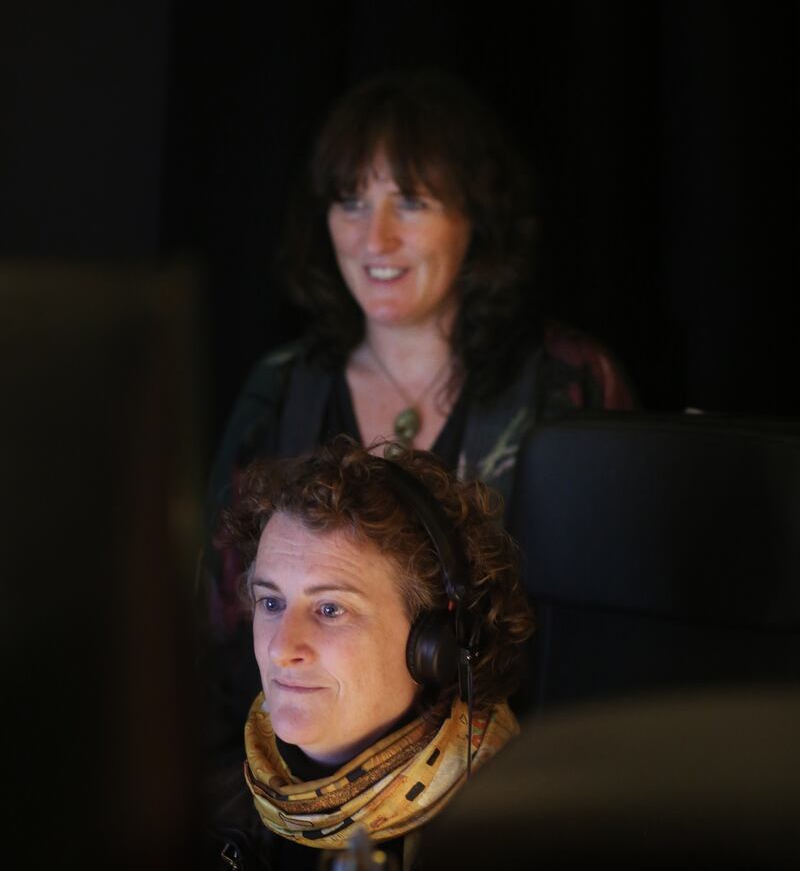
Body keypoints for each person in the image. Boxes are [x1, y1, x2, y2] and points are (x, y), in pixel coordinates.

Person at [203, 68, 636, 763]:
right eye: (350, 202)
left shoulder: (570, 385)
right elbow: (222, 632)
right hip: (297, 798)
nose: (374, 238)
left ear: (476, 217)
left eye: (409, 202)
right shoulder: (280, 389)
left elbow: (611, 648)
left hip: (525, 787)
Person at [207, 436, 534, 871]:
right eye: (271, 602)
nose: (281, 648)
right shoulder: (203, 812)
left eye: (330, 608)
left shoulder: (516, 852)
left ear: (435, 643)